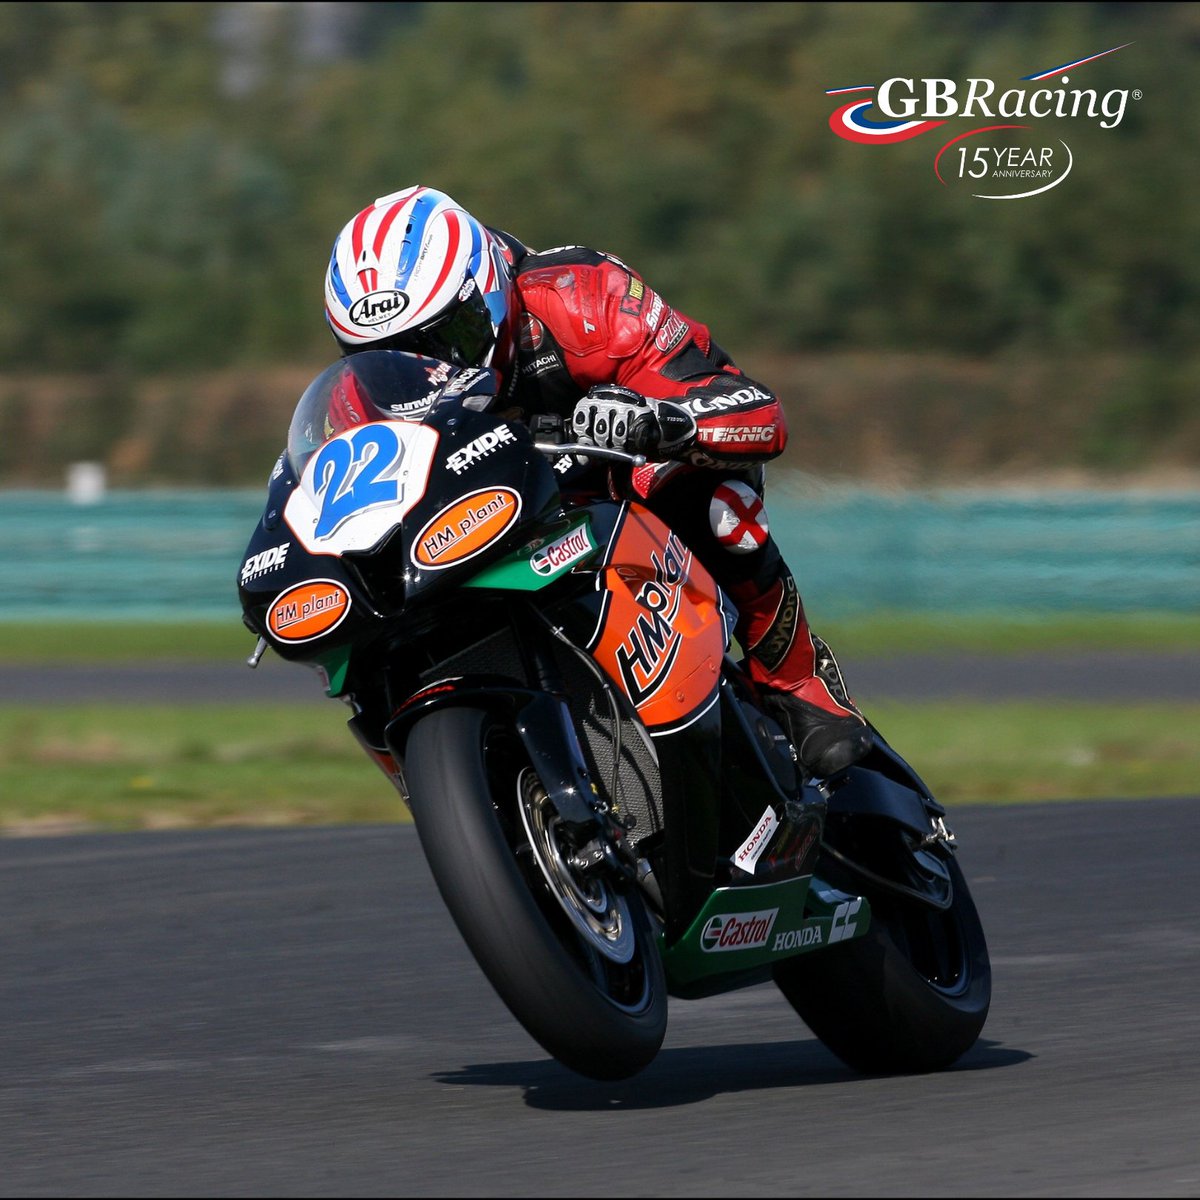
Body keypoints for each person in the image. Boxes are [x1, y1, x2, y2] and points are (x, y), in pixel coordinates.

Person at [322, 185, 871, 778]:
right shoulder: (358, 397)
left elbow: (756, 414)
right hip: (478, 526)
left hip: (617, 485)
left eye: (444, 338)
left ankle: (797, 681)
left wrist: (661, 422)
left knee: (713, 499)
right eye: (384, 353)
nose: (426, 369)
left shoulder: (580, 297)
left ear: (488, 292)